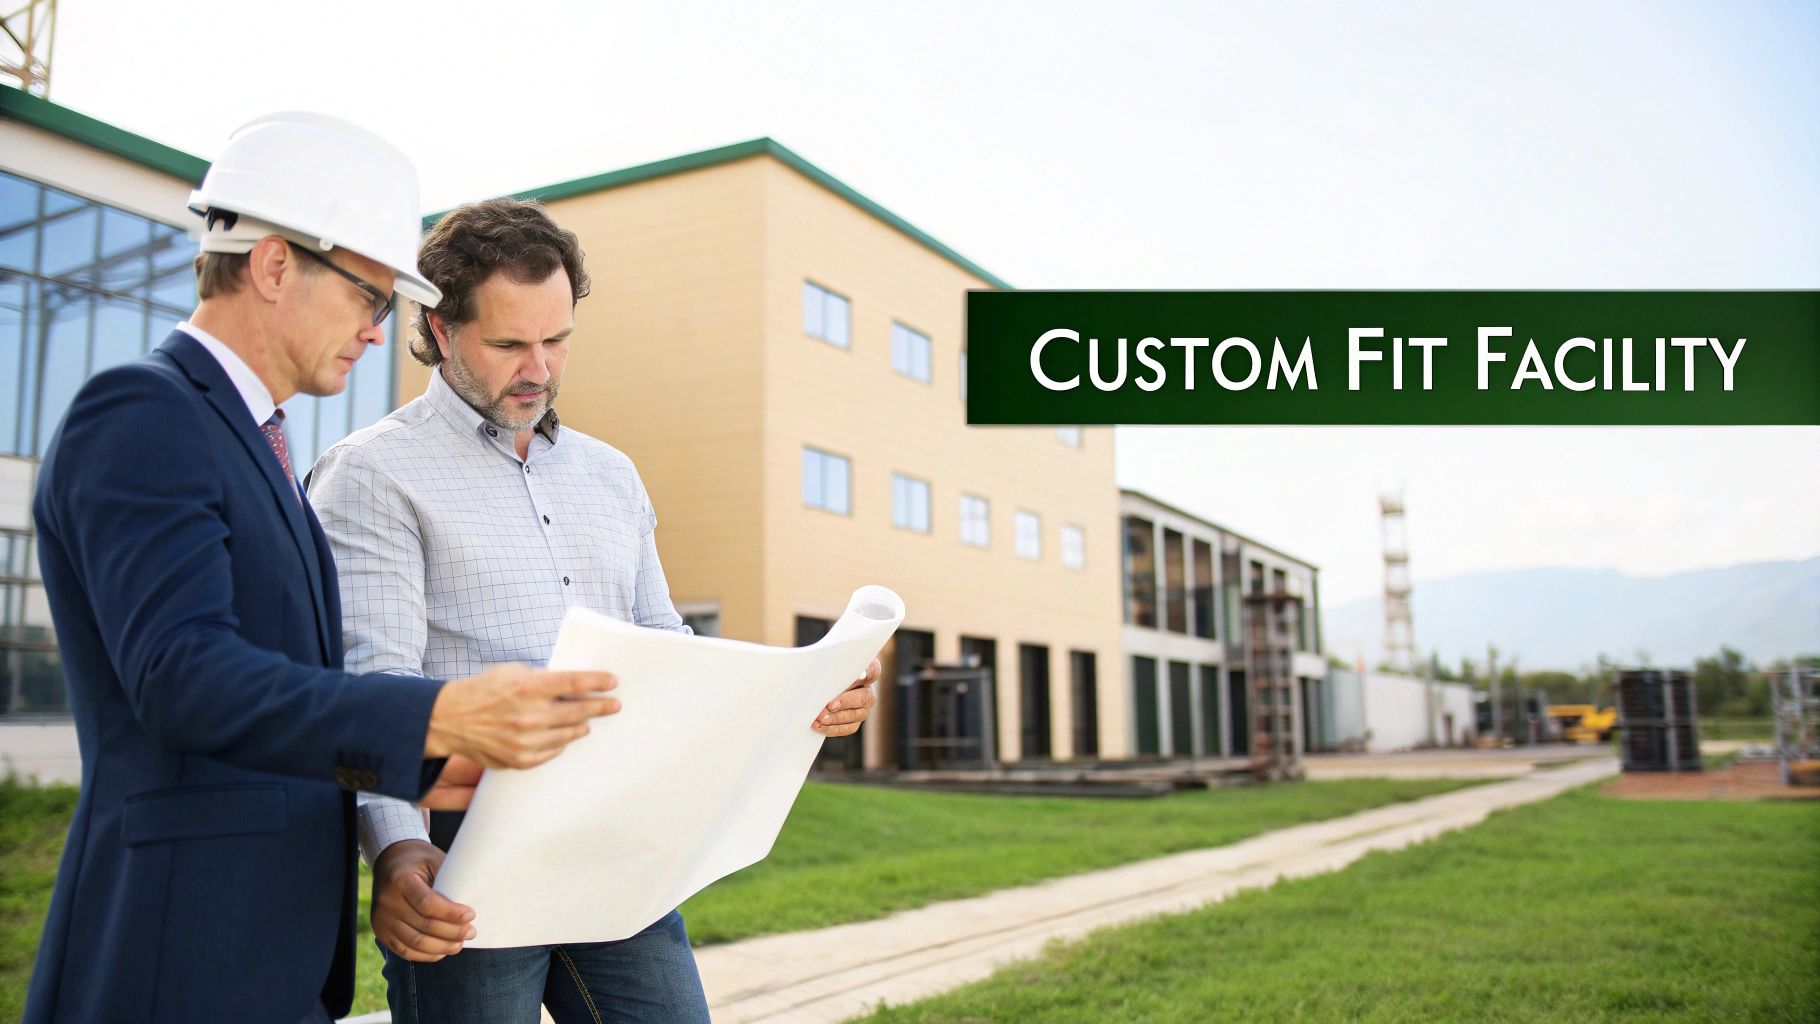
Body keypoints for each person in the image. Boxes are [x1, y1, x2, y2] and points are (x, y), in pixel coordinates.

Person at [23, 115, 619, 1024]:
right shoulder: (143, 410)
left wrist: (415, 765)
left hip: (269, 955)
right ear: (272, 266)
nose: (378, 334)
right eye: (368, 297)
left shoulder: (259, 450)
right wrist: (432, 717)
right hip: (177, 951)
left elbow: (282, 693)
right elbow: (183, 677)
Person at [307, 197, 880, 1023]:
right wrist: (398, 849)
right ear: (438, 328)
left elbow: (669, 648)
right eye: (509, 344)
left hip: (620, 844)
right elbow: (374, 682)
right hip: (465, 856)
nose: (538, 368)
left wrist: (806, 697)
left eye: (557, 339)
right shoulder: (372, 474)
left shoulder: (612, 475)